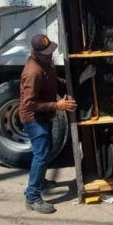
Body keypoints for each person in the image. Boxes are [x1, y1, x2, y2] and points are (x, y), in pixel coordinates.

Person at [20, 34, 76, 214]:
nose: (50, 55)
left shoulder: (45, 62)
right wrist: (57, 105)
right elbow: (29, 102)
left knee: (45, 151)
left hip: (43, 116)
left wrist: (65, 83)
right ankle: (32, 197)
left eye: (50, 51)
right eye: (46, 53)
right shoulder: (33, 72)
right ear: (36, 53)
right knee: (41, 155)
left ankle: (39, 182)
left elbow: (51, 79)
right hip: (34, 118)